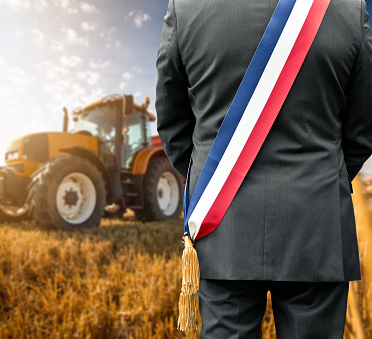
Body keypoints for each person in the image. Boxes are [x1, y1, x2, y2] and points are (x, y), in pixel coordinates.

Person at [155, 0, 372, 337]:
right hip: (316, 225)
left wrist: (215, 179)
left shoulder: (186, 8)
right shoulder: (348, 10)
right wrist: (323, 179)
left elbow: (172, 122)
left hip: (222, 227)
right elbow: (362, 129)